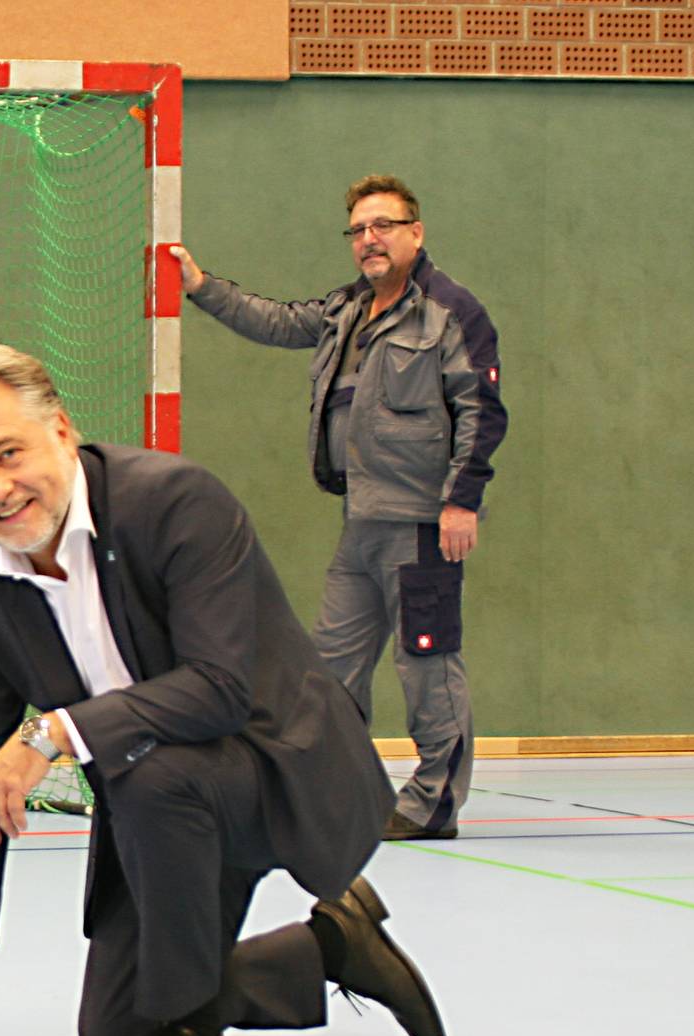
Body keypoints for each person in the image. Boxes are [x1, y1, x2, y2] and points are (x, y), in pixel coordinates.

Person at [0, 343, 446, 1036]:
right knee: (115, 1035)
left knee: (150, 773)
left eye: (7, 453)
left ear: (60, 430)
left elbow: (218, 690)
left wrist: (53, 732)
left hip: (277, 773)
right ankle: (332, 946)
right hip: (164, 816)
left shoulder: (176, 500)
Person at [172, 175, 506, 841]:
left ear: (416, 232)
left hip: (420, 526)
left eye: (382, 225)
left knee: (427, 665)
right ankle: (338, 795)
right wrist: (201, 287)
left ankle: (432, 803)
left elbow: (481, 410)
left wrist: (461, 502)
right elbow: (275, 319)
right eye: (358, 229)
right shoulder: (346, 311)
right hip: (361, 522)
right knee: (329, 670)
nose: (369, 239)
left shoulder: (450, 312)